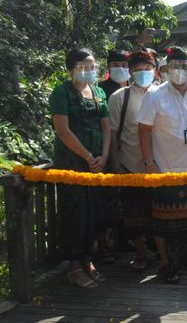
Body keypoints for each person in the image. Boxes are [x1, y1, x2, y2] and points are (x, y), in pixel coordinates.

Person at [137, 46, 187, 284]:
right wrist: (149, 162)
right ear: (167, 69)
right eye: (176, 66)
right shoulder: (155, 95)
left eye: (186, 67)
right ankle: (165, 263)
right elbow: (144, 130)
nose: (181, 71)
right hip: (166, 168)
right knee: (163, 222)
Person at [49, 48, 111, 287]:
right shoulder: (61, 92)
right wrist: (87, 156)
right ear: (72, 67)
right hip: (72, 163)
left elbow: (106, 127)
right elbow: (63, 131)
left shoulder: (97, 92)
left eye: (93, 65)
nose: (89, 69)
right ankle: (74, 266)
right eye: (84, 65)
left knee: (93, 212)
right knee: (75, 212)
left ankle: (88, 259)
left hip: (96, 164)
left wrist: (103, 156)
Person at [108, 51, 158, 272]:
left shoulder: (162, 93)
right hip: (130, 163)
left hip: (160, 165)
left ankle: (159, 250)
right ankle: (139, 252)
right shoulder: (120, 97)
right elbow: (112, 133)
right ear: (130, 72)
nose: (143, 73)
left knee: (158, 211)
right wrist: (115, 164)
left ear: (155, 71)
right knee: (133, 213)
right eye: (137, 69)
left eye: (147, 69)